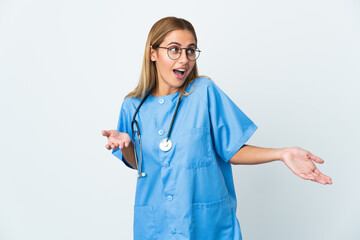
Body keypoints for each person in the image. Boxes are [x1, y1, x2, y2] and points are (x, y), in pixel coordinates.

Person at [102, 16, 332, 240]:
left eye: (190, 50)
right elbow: (140, 164)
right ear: (153, 53)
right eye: (174, 49)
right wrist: (126, 146)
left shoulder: (203, 92)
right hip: (156, 225)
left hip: (206, 223)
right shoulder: (133, 105)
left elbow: (232, 149)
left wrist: (281, 153)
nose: (184, 59)